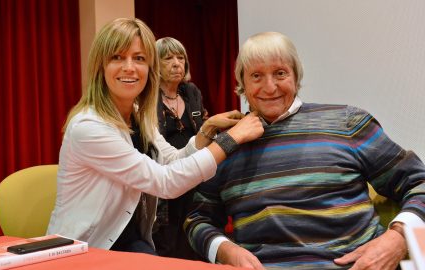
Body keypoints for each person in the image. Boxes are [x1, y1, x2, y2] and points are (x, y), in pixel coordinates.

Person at [184, 31, 425, 270]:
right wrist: (226, 251)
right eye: (256, 76)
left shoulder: (347, 122)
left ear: (296, 77)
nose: (269, 87)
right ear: (242, 85)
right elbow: (197, 219)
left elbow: (419, 184)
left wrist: (397, 240)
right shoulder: (228, 144)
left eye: (280, 73)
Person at [45, 18, 264, 255]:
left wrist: (208, 129)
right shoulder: (89, 127)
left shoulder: (138, 114)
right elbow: (165, 182)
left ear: (150, 68)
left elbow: (171, 159)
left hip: (128, 240)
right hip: (88, 249)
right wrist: (230, 139)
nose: (129, 67)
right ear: (100, 66)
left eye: (139, 58)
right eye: (117, 57)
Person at [152, 37, 209, 260]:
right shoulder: (148, 97)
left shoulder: (191, 92)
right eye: (168, 58)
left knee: (193, 240)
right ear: (155, 65)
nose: (177, 63)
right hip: (164, 181)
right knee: (168, 245)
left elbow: (202, 128)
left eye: (181, 57)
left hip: (194, 176)